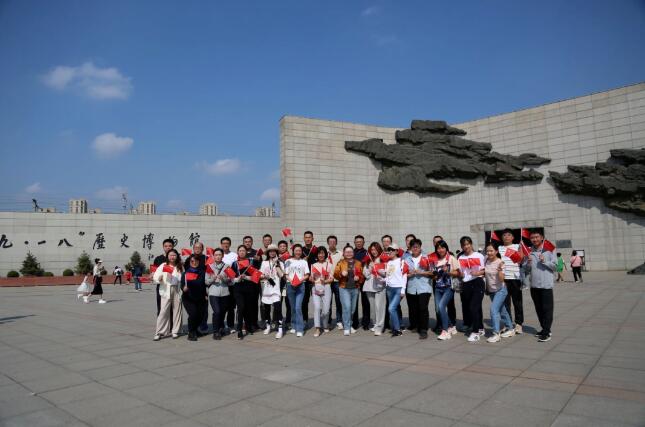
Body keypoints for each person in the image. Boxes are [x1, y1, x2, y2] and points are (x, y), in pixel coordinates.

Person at [525, 230, 556, 342]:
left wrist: (545, 261)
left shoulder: (549, 249)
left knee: (547, 309)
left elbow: (556, 266)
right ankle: (544, 329)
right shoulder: (529, 251)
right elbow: (526, 269)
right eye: (532, 238)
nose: (535, 239)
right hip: (534, 285)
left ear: (542, 237)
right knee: (539, 309)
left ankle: (547, 332)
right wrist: (528, 263)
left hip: (546, 285)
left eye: (537, 237)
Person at [484, 243, 515, 343]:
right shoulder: (486, 260)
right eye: (487, 251)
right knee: (502, 310)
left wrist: (500, 271)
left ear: (496, 251)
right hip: (491, 290)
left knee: (493, 310)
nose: (489, 253)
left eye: (491, 251)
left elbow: (502, 279)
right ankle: (510, 329)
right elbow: (484, 272)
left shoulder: (500, 262)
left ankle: (496, 333)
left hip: (501, 290)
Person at [457, 236, 486, 342]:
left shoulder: (479, 255)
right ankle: (481, 327)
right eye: (464, 245)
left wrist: (477, 273)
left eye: (468, 244)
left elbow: (485, 270)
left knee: (474, 307)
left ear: (471, 244)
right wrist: (460, 274)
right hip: (466, 284)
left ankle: (475, 332)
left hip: (478, 282)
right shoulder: (460, 257)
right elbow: (460, 272)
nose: (466, 246)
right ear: (461, 246)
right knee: (476, 308)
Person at [404, 238, 433, 339]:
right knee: (414, 309)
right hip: (411, 287)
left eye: (417, 247)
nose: (415, 248)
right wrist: (409, 274)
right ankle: (417, 325)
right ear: (410, 248)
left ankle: (424, 329)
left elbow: (432, 272)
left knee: (423, 308)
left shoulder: (427, 258)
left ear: (420, 247)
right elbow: (403, 274)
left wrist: (421, 272)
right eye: (413, 247)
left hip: (424, 287)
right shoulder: (407, 260)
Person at [431, 240, 460, 340]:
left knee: (441, 306)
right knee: (438, 309)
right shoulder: (435, 260)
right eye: (438, 248)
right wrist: (435, 275)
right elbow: (434, 276)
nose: (440, 250)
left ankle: (445, 330)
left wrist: (448, 272)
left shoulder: (451, 258)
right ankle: (451, 325)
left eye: (442, 247)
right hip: (438, 288)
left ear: (446, 248)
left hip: (448, 287)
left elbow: (458, 273)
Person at [153, 249, 183, 340]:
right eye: (170, 255)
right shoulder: (163, 265)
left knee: (177, 311)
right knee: (163, 311)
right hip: (166, 289)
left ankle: (175, 331)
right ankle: (159, 332)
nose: (172, 257)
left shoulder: (180, 266)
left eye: (174, 255)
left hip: (176, 289)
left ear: (177, 256)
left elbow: (183, 278)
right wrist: (159, 278)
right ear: (167, 256)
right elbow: (155, 276)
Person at [499, 229, 525, 335]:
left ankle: (519, 324)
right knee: (505, 303)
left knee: (517, 302)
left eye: (509, 235)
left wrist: (522, 248)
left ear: (513, 237)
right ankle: (507, 324)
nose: (506, 237)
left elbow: (521, 260)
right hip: (503, 279)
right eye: (504, 235)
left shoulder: (517, 246)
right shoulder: (499, 248)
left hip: (515, 278)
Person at [334, 246, 363, 336]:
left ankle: (349, 324)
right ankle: (346, 327)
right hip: (344, 288)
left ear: (353, 253)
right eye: (347, 252)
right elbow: (335, 275)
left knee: (352, 309)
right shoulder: (340, 263)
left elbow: (362, 276)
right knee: (347, 307)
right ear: (344, 253)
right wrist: (341, 274)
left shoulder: (358, 263)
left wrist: (359, 278)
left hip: (355, 288)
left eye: (350, 252)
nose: (349, 253)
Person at [231, 245, 258, 340]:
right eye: (240, 251)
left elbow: (256, 276)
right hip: (238, 289)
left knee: (248, 308)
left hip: (249, 288)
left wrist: (246, 277)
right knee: (241, 308)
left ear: (246, 252)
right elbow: (231, 277)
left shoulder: (251, 262)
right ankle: (239, 329)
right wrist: (237, 279)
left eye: (243, 250)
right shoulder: (234, 264)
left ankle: (248, 326)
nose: (242, 252)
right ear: (237, 252)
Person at [182, 254, 210, 341]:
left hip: (201, 297)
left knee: (201, 315)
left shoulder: (202, 272)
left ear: (199, 262)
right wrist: (183, 288)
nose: (194, 263)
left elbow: (204, 285)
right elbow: (182, 284)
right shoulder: (185, 273)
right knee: (193, 314)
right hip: (188, 298)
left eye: (196, 261)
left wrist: (206, 295)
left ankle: (196, 329)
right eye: (192, 261)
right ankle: (191, 332)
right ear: (189, 262)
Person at [260, 244, 285, 338]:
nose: (272, 252)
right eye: (270, 251)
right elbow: (260, 274)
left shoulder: (280, 262)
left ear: (276, 252)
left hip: (276, 289)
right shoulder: (264, 263)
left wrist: (277, 264)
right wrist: (264, 276)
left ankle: (280, 329)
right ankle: (268, 326)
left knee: (278, 309)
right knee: (266, 309)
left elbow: (282, 275)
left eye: (274, 251)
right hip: (266, 288)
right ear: (268, 253)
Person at [285, 244, 310, 337]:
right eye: (296, 250)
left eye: (299, 250)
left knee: (298, 307)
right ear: (293, 251)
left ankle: (300, 328)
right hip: (290, 285)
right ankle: (293, 325)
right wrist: (291, 281)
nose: (298, 252)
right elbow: (286, 274)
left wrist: (300, 280)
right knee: (292, 307)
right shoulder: (288, 261)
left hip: (300, 286)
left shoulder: (304, 262)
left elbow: (307, 275)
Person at [362, 242, 387, 336]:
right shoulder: (368, 260)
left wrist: (377, 268)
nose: (374, 251)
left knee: (379, 307)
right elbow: (366, 275)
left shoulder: (383, 259)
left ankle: (379, 327)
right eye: (372, 250)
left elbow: (386, 273)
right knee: (373, 308)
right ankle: (375, 324)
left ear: (379, 249)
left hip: (380, 286)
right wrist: (370, 268)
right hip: (369, 287)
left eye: (375, 249)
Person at [383, 244, 407, 337]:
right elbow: (388, 275)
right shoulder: (388, 263)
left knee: (391, 308)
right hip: (389, 288)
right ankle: (399, 325)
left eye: (392, 250)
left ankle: (397, 329)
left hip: (398, 288)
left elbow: (404, 276)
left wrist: (403, 290)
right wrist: (383, 280)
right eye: (388, 250)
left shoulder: (401, 261)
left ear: (397, 251)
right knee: (395, 308)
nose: (389, 251)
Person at [207, 248, 232, 340]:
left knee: (222, 312)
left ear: (222, 256)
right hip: (213, 293)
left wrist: (223, 278)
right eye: (216, 255)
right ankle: (216, 331)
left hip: (225, 293)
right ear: (213, 256)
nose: (218, 256)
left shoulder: (227, 266)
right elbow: (206, 281)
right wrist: (213, 279)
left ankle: (221, 327)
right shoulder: (209, 267)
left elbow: (231, 280)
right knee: (217, 311)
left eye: (219, 255)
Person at [185, 242, 208, 334]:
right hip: (191, 288)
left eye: (199, 247)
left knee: (203, 310)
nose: (197, 249)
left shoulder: (206, 259)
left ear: (202, 249)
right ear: (193, 248)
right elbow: (185, 273)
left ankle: (202, 327)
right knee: (193, 312)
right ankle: (193, 329)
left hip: (203, 287)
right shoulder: (189, 259)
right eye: (196, 247)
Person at [310, 246, 333, 337]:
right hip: (316, 287)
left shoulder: (329, 265)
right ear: (317, 255)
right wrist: (311, 279)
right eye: (319, 253)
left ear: (325, 254)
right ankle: (317, 328)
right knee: (317, 308)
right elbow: (311, 277)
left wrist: (325, 281)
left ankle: (325, 324)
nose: (321, 255)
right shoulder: (313, 265)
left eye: (322, 253)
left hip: (326, 287)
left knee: (326, 310)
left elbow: (331, 278)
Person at [352, 235, 371, 331]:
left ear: (363, 243)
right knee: (354, 302)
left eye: (360, 242)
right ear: (354, 243)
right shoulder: (351, 252)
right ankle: (354, 323)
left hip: (364, 280)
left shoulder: (367, 253)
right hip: (354, 280)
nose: (358, 243)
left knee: (366, 302)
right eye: (357, 242)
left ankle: (366, 323)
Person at [153, 238, 176, 315]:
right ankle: (161, 322)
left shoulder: (176, 258)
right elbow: (154, 272)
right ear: (163, 247)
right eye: (166, 246)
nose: (168, 247)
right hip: (161, 287)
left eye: (170, 246)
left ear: (173, 246)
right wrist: (154, 276)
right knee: (161, 309)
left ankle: (171, 323)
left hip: (173, 287)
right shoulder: (158, 259)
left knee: (173, 309)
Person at [220, 237, 238, 334]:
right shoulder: (218, 254)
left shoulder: (234, 255)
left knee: (231, 307)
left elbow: (236, 269)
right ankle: (221, 326)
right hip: (221, 284)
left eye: (227, 243)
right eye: (223, 243)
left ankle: (230, 325)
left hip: (231, 284)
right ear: (221, 244)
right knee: (222, 307)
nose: (225, 245)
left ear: (230, 244)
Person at [326, 235, 344, 330]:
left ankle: (339, 321)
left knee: (339, 302)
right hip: (327, 282)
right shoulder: (324, 253)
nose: (332, 243)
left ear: (336, 243)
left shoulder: (341, 254)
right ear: (328, 243)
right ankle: (328, 321)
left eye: (334, 242)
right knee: (327, 302)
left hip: (337, 281)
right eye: (330, 242)